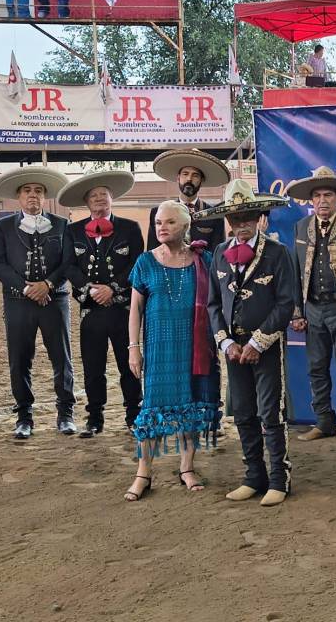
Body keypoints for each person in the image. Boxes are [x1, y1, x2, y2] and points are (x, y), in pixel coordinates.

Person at [202, 181, 295, 507]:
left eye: (247, 217)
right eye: (234, 219)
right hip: (233, 348)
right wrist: (226, 342)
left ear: (259, 218)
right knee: (242, 412)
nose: (241, 224)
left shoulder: (277, 253)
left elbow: (285, 304)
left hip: (264, 346)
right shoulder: (219, 254)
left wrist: (257, 342)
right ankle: (253, 476)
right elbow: (213, 304)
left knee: (270, 411)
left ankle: (277, 479)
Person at [124, 201, 221, 501]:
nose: (162, 228)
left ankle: (187, 468)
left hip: (195, 348)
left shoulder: (202, 260)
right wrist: (133, 349)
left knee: (192, 407)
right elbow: (135, 310)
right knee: (152, 410)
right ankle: (143, 473)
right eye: (157, 223)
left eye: (169, 222)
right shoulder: (145, 262)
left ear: (186, 225)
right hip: (158, 350)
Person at [0, 167, 77, 439]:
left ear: (44, 196)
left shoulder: (62, 225)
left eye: (38, 191)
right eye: (27, 191)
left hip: (55, 299)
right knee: (19, 359)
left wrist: (48, 284)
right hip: (18, 301)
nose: (33, 196)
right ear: (19, 196)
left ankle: (65, 414)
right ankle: (24, 416)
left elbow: (68, 263)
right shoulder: (2, 226)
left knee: (61, 357)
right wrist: (26, 287)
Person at [59, 171, 144, 438]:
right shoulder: (72, 230)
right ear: (86, 202)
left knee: (128, 365)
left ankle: (134, 416)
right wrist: (91, 290)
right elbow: (68, 266)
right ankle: (95, 418)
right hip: (91, 310)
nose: (99, 199)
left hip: (121, 309)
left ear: (111, 199)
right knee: (93, 367)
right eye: (94, 196)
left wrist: (113, 288)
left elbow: (136, 264)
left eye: (104, 195)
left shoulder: (130, 227)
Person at [287, 167, 336, 444]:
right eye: (317, 195)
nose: (322, 201)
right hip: (313, 309)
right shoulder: (300, 228)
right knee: (316, 368)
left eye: (327, 194)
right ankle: (324, 422)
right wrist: (297, 311)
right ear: (311, 200)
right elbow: (294, 272)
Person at [147, 149, 230, 252]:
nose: (189, 179)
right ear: (178, 178)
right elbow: (152, 251)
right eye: (185, 174)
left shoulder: (213, 215)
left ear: (201, 181)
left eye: (195, 175)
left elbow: (218, 254)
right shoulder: (158, 212)